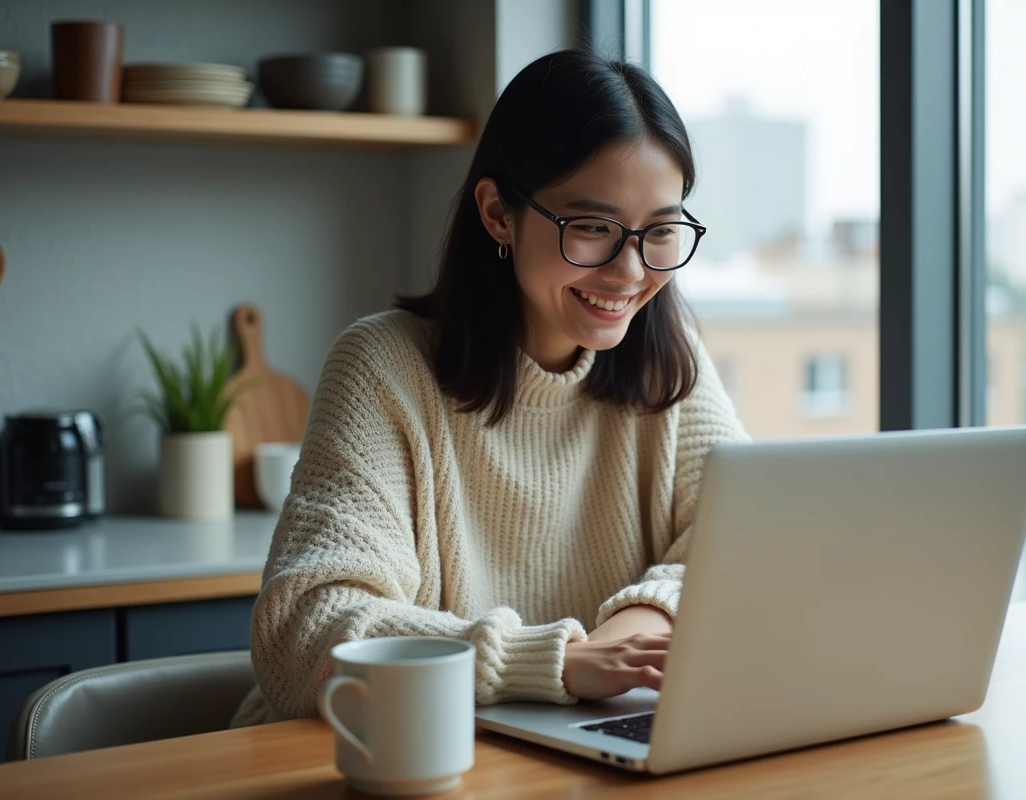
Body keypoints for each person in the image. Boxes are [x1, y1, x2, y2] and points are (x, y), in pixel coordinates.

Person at [230, 47, 748, 727]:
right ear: (499, 212)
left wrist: (638, 630)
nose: (630, 272)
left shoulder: (667, 365)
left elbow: (746, 545)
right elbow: (305, 628)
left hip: (557, 752)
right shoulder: (383, 367)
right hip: (366, 752)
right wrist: (555, 661)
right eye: (592, 228)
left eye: (660, 232)